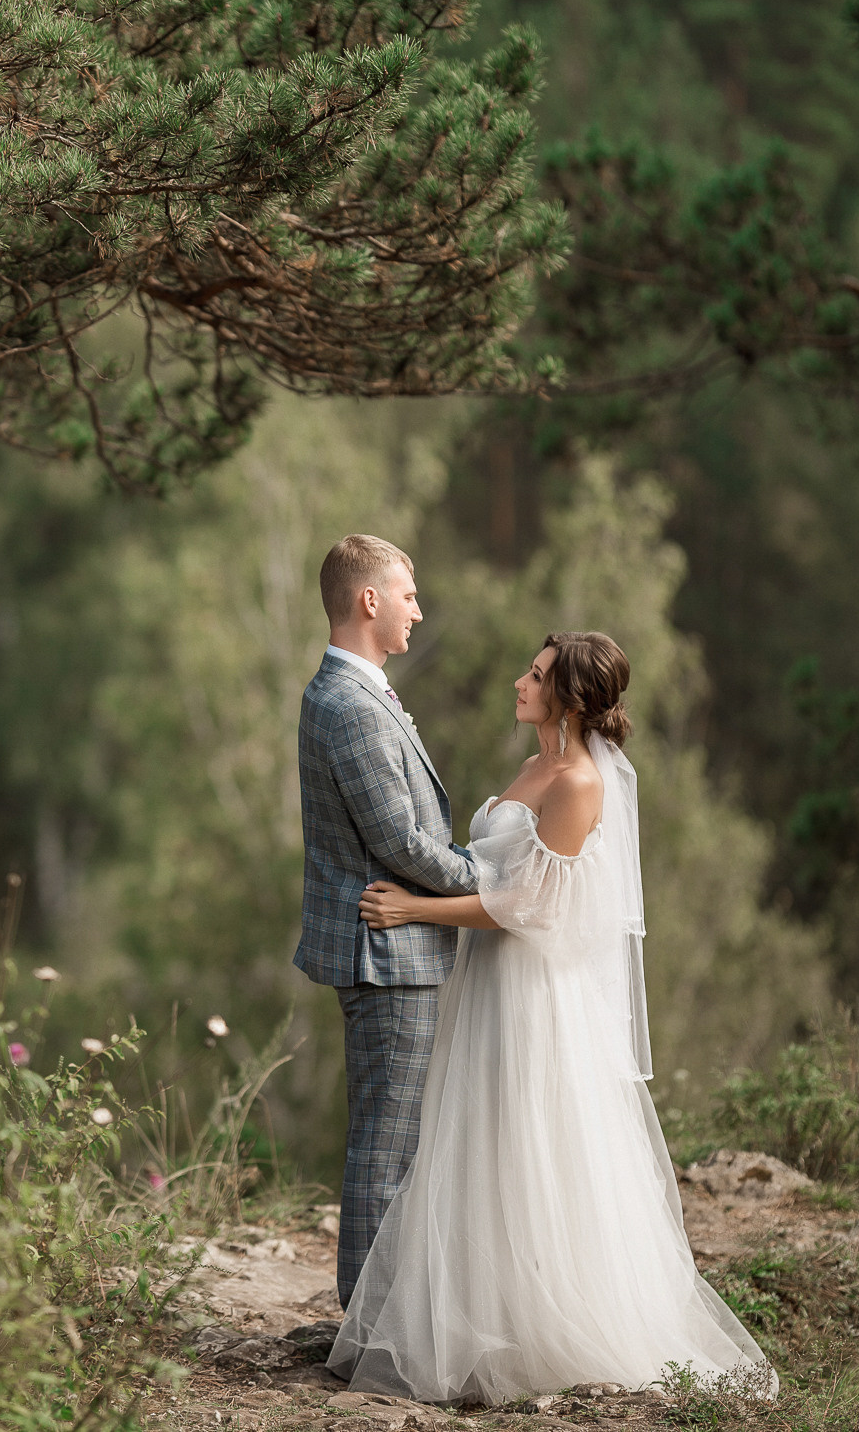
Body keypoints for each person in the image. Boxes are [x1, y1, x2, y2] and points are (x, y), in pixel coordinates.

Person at [325, 632, 775, 1404]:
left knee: (529, 1143)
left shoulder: (578, 783)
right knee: (478, 1142)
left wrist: (413, 909)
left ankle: (537, 1332)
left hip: (533, 992)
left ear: (568, 698)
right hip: (489, 981)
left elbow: (530, 906)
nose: (517, 682)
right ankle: (476, 1318)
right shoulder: (537, 764)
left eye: (534, 677)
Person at [294, 535, 483, 1309]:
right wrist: (487, 877)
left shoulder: (355, 691)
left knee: (390, 1138)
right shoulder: (348, 702)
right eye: (407, 594)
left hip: (391, 948)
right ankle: (368, 1329)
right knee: (387, 1146)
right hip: (387, 955)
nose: (417, 608)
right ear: (368, 600)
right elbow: (400, 841)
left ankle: (375, 1321)